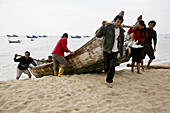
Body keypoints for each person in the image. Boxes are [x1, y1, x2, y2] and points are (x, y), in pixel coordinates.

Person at [95, 15, 125, 88]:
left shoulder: (121, 30)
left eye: (120, 22)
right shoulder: (107, 28)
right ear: (114, 21)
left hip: (115, 51)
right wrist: (102, 27)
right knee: (106, 66)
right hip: (107, 50)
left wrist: (121, 50)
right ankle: (107, 73)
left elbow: (121, 41)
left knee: (112, 66)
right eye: (117, 21)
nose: (118, 23)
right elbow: (98, 35)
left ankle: (108, 81)